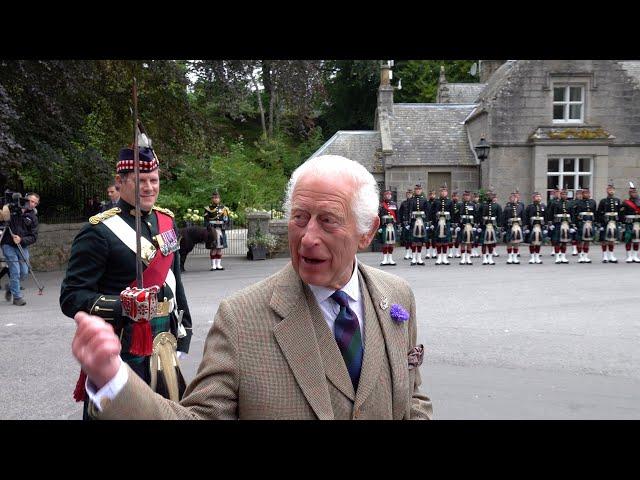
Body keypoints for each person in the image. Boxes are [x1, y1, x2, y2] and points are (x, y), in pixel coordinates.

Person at [70, 154, 433, 420]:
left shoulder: (397, 297)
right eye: (299, 218)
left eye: (328, 221)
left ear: (367, 232)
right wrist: (113, 380)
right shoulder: (240, 318)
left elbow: (412, 399)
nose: (308, 238)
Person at [60, 145, 193, 420]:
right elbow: (71, 296)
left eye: (153, 180)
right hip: (124, 345)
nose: (149, 187)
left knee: (166, 414)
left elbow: (175, 282)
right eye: (140, 180)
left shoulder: (166, 221)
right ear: (120, 183)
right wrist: (123, 305)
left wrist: (185, 330)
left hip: (164, 341)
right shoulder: (98, 232)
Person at [1, 192, 38, 306]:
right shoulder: (11, 210)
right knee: (15, 270)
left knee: (24, 271)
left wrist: (21, 240)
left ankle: (10, 287)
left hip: (22, 246)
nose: (32, 204)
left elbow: (33, 237)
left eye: (35, 203)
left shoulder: (33, 217)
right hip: (8, 244)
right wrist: (6, 207)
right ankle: (17, 297)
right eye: (31, 201)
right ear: (25, 199)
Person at [204, 191, 230, 271]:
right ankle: (213, 265)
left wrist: (224, 225)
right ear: (212, 199)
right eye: (214, 198)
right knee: (213, 247)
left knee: (219, 248)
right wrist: (209, 226)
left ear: (219, 199)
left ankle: (218, 264)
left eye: (217, 198)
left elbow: (226, 219)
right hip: (212, 230)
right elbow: (206, 220)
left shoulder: (224, 209)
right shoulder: (208, 209)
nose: (216, 199)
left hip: (221, 230)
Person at [547, 187, 573, 264]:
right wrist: (550, 223)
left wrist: (572, 225)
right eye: (562, 194)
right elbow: (550, 214)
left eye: (565, 194)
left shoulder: (569, 203)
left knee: (564, 241)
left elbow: (572, 215)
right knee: (557, 241)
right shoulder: (555, 203)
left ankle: (563, 257)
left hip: (566, 224)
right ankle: (557, 257)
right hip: (558, 223)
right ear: (560, 195)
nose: (564, 195)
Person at [597, 182, 622, 263]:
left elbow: (619, 212)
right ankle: (605, 256)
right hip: (605, 221)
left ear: (614, 191)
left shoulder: (617, 200)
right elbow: (599, 212)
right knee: (604, 239)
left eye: (612, 189)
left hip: (614, 221)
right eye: (609, 189)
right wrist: (600, 223)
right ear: (607, 191)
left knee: (612, 239)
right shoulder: (603, 201)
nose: (611, 191)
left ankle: (611, 255)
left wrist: (620, 223)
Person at [430, 184, 454, 265]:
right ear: (439, 192)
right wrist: (432, 223)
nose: (443, 193)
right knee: (438, 240)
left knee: (445, 240)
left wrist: (451, 225)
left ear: (447, 192)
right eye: (442, 191)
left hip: (446, 222)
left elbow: (452, 213)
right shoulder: (436, 201)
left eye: (445, 191)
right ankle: (439, 257)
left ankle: (444, 257)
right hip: (438, 223)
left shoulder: (450, 201)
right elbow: (432, 213)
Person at [572, 188, 597, 263]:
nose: (587, 194)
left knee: (587, 240)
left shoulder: (593, 202)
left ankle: (585, 256)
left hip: (590, 222)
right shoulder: (578, 203)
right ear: (582, 194)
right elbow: (574, 214)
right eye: (585, 193)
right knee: (579, 240)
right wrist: (574, 224)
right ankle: (580, 256)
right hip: (581, 223)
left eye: (588, 193)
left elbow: (595, 213)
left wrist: (595, 223)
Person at [408, 184, 430, 266]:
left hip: (421, 221)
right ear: (414, 190)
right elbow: (408, 211)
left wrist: (427, 222)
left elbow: (427, 211)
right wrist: (407, 222)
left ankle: (419, 258)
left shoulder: (424, 200)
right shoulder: (411, 200)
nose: (418, 190)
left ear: (421, 190)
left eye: (419, 189)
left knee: (420, 241)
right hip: (413, 221)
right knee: (414, 241)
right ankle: (413, 258)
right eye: (416, 189)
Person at [619, 182, 640, 263]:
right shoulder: (626, 202)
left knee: (637, 239)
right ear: (629, 193)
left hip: (638, 222)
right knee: (628, 238)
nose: (634, 193)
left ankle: (635, 256)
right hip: (629, 223)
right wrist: (623, 223)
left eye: (635, 192)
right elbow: (621, 214)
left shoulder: (639, 201)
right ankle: (629, 256)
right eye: (632, 192)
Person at [478, 191, 502, 265]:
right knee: (484, 243)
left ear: (493, 197)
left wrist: (499, 226)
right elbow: (479, 215)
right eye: (488, 196)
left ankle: (490, 258)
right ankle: (485, 258)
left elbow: (499, 216)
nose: (489, 197)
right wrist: (479, 225)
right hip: (484, 225)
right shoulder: (482, 205)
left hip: (493, 225)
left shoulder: (497, 206)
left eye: (491, 196)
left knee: (491, 243)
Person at [523, 192, 547, 264]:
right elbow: (526, 217)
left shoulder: (543, 206)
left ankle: (537, 257)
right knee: (532, 242)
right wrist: (526, 227)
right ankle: (532, 257)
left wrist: (546, 227)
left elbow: (546, 217)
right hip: (531, 226)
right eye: (537, 196)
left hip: (541, 226)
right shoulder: (529, 207)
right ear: (533, 198)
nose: (538, 198)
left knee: (538, 242)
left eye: (539, 196)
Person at [502, 190, 525, 264]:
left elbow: (523, 217)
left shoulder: (520, 206)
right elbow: (504, 218)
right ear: (510, 199)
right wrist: (503, 228)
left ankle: (515, 257)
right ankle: (509, 257)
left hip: (517, 226)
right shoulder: (507, 207)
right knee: (509, 242)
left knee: (516, 243)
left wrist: (523, 226)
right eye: (512, 197)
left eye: (515, 197)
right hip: (509, 226)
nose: (514, 198)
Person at [457, 190, 478, 265]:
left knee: (469, 242)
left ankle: (468, 258)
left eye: (468, 195)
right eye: (465, 195)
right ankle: (463, 258)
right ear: (463, 196)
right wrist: (457, 225)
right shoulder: (460, 205)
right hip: (462, 225)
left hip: (470, 225)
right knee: (462, 242)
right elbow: (456, 216)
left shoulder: (472, 205)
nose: (466, 197)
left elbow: (475, 215)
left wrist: (475, 225)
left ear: (470, 197)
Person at [377, 189, 398, 266]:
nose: (388, 196)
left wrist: (398, 225)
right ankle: (385, 259)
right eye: (386, 195)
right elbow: (378, 217)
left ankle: (390, 259)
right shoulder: (381, 205)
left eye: (389, 194)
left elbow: (397, 215)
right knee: (385, 243)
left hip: (392, 226)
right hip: (384, 226)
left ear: (391, 196)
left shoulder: (394, 204)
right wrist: (379, 227)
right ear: (384, 196)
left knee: (391, 243)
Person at [397, 189, 414, 260]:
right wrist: (400, 223)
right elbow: (400, 213)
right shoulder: (403, 203)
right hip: (405, 223)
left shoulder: (414, 202)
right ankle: (407, 253)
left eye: (410, 194)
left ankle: (413, 253)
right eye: (408, 194)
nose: (409, 195)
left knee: (412, 239)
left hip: (413, 223)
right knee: (406, 239)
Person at [569, 189, 583, 256]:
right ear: (575, 195)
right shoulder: (572, 202)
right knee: (574, 235)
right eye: (578, 194)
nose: (580, 196)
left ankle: (580, 249)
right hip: (574, 220)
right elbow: (571, 212)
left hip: (582, 221)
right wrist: (572, 222)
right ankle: (574, 249)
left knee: (581, 236)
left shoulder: (583, 202)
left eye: (581, 194)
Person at [448, 191, 461, 258]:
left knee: (457, 239)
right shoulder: (449, 204)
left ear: (458, 197)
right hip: (451, 223)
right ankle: (450, 252)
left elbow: (460, 215)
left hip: (457, 223)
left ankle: (456, 252)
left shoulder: (460, 205)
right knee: (450, 238)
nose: (455, 198)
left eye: (456, 196)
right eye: (453, 196)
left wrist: (459, 224)